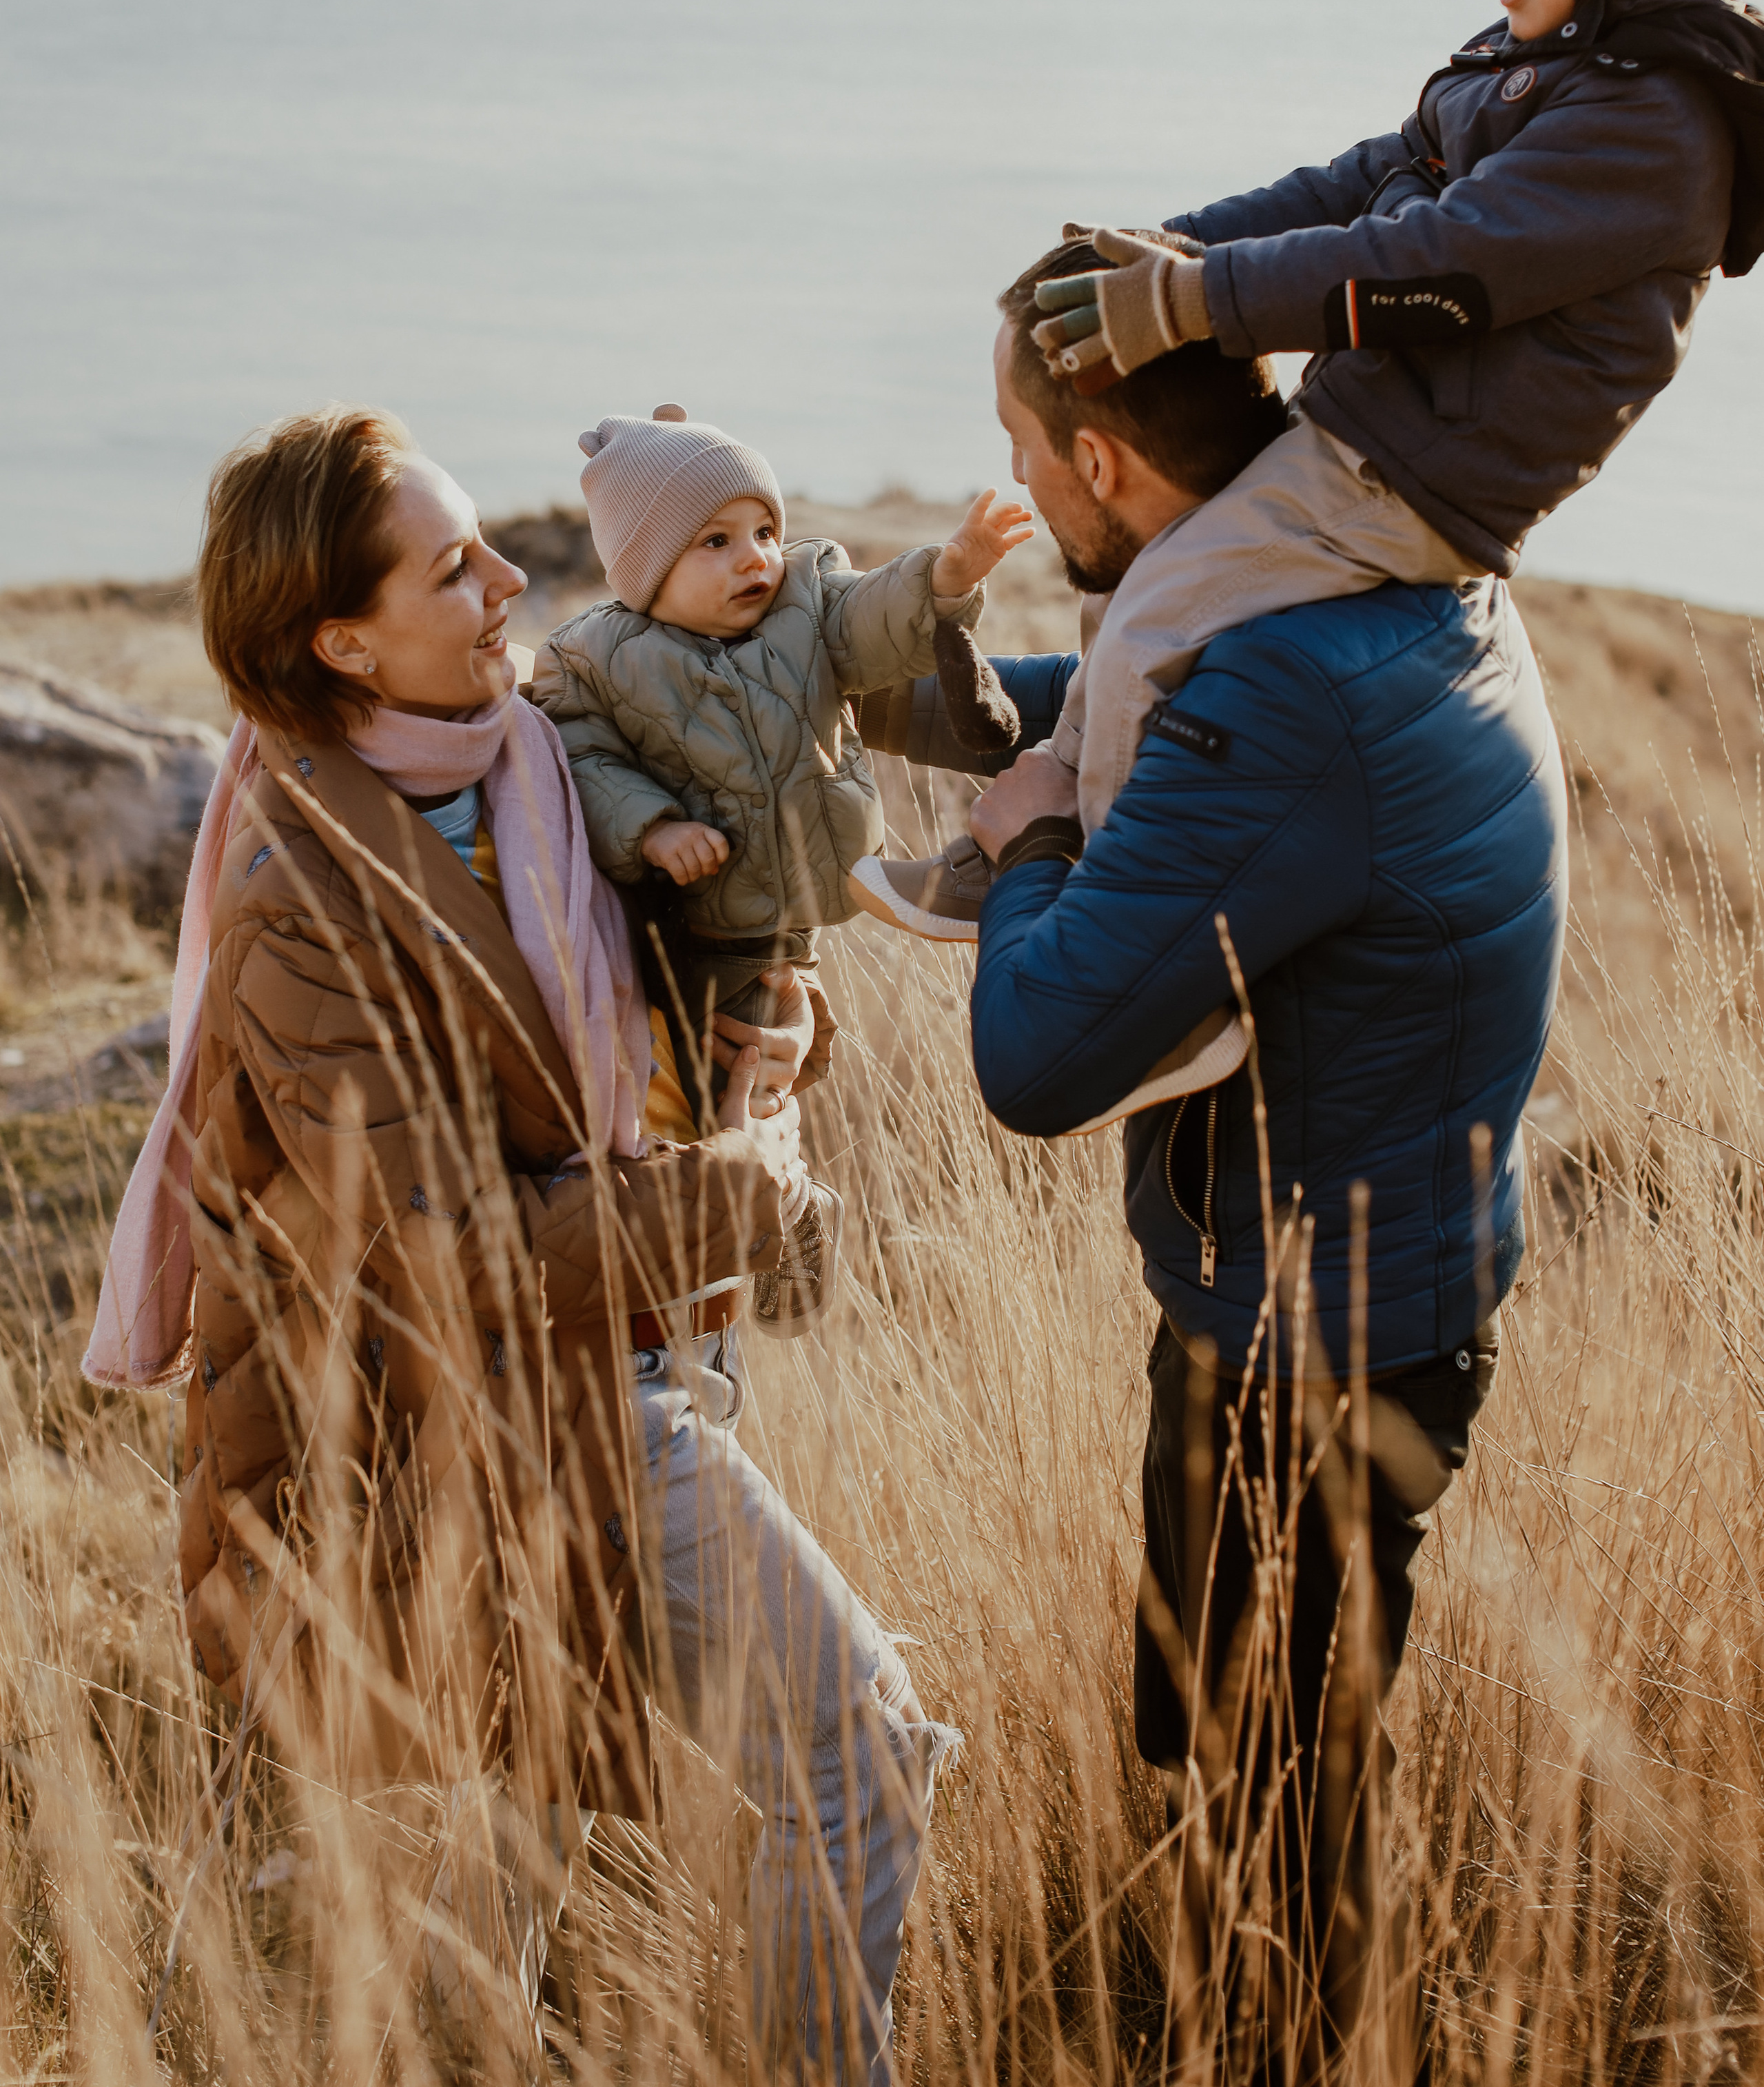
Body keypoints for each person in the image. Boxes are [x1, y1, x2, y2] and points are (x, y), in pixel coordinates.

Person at [84, 405, 953, 2082]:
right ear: (343, 638)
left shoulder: (534, 763)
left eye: (490, 544)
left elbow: (651, 1037)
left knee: (529, 1872)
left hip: (627, 1357)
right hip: (493, 1415)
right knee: (858, 1748)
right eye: (452, 564)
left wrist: (770, 1030)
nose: (508, 579)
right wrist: (747, 1204)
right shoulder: (299, 892)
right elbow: (445, 1242)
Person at [872, 283, 1568, 2070]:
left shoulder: (1276, 696)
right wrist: (882, 694)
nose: (1017, 478)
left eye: (1030, 456)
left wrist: (1023, 844)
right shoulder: (1346, 566)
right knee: (1224, 1759)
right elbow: (1113, 708)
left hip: (1320, 1355)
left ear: (1099, 463)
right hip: (1320, 1293)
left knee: (1284, 1830)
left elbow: (1034, 1059)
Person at [868, 0, 1763, 938]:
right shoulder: (1533, 65)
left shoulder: (1653, 127)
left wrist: (1193, 300)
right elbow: (1354, 183)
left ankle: (1112, 909)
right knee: (1135, 576)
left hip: (1422, 482)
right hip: (1365, 438)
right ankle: (1061, 811)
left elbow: (1438, 267)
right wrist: (1165, 248)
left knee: (1159, 614)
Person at [531, 403, 1029, 1031]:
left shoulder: (806, 602)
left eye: (764, 531)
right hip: (698, 926)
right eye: (717, 541)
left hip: (803, 911)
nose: (755, 558)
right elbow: (583, 759)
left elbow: (870, 617)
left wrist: (942, 579)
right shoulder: (593, 659)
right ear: (645, 569)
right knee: (715, 1067)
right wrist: (652, 829)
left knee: (781, 1053)